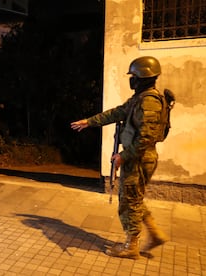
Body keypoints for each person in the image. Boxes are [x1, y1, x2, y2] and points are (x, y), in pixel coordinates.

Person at [71, 56, 169, 259]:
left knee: (129, 202)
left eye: (133, 76)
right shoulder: (139, 98)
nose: (131, 80)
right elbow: (118, 113)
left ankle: (131, 246)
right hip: (137, 157)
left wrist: (123, 156)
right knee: (133, 198)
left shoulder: (149, 101)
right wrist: (90, 121)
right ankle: (155, 233)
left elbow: (146, 137)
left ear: (142, 77)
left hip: (139, 158)